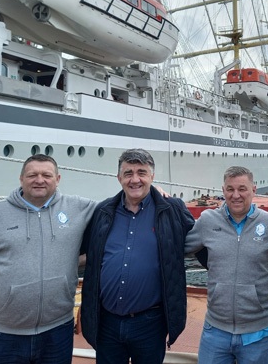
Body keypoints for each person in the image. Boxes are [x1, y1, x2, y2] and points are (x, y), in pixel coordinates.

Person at [0, 154, 97, 364]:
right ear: (21, 179)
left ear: (57, 179)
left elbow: (119, 207)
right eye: (32, 175)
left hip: (57, 332)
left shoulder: (78, 208)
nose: (39, 180)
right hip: (3, 334)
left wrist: (147, 194)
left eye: (46, 175)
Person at [80, 148, 194, 364]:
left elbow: (204, 242)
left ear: (152, 176)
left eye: (142, 173)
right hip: (107, 323)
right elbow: (84, 251)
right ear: (119, 178)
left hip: (150, 323)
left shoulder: (172, 209)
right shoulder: (103, 211)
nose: (135, 180)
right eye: (128, 173)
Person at [184, 166, 268, 364]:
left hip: (257, 332)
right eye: (230, 189)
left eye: (242, 189)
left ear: (254, 190)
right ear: (223, 191)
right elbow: (177, 249)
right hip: (215, 329)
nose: (236, 195)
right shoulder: (208, 221)